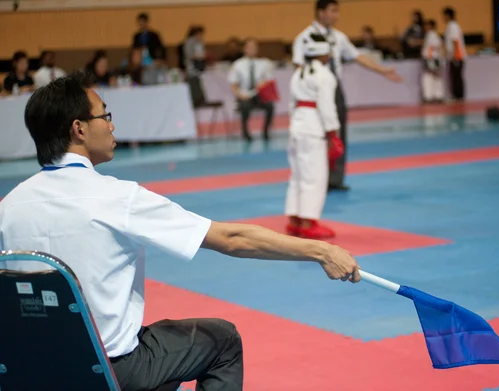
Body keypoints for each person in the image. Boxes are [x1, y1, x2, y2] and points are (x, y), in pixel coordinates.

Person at [0, 72, 361, 391]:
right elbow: (233, 240)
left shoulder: (8, 206)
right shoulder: (118, 198)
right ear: (78, 129)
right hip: (112, 372)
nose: (111, 125)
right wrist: (321, 252)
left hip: (30, 371)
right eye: (105, 116)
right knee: (222, 340)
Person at [292, 0, 402, 192]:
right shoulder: (304, 37)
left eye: (337, 11)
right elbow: (299, 68)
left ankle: (336, 178)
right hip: (315, 89)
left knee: (339, 134)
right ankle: (317, 178)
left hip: (335, 87)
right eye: (333, 11)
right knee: (318, 135)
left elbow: (357, 56)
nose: (336, 16)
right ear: (321, 12)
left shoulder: (338, 37)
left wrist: (382, 70)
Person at [285, 34, 343, 239]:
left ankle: (294, 220)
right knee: (314, 176)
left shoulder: (298, 73)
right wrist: (333, 134)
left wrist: (294, 123)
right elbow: (327, 107)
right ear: (325, 53)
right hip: (314, 127)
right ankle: (309, 223)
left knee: (298, 175)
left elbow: (291, 105)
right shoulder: (324, 75)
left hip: (297, 126)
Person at [228, 38, 275, 141]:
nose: (252, 49)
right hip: (245, 94)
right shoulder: (238, 64)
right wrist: (239, 95)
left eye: (254, 47)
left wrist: (263, 86)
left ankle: (266, 132)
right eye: (249, 47)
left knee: (270, 105)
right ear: (245, 49)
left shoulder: (264, 63)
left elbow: (269, 81)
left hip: (259, 94)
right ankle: (245, 133)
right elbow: (233, 83)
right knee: (245, 106)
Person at [442, 7, 466, 100]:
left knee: (457, 77)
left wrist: (456, 56)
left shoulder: (453, 26)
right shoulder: (450, 26)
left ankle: (459, 96)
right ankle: (456, 96)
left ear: (448, 16)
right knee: (454, 77)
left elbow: (455, 41)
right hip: (453, 56)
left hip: (457, 56)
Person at [421, 19, 444, 103]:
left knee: (429, 76)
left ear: (430, 26)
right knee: (435, 77)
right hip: (433, 58)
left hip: (431, 59)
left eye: (426, 25)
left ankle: (430, 96)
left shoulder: (431, 34)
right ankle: (436, 95)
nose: (425, 27)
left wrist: (431, 59)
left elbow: (435, 46)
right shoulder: (432, 35)